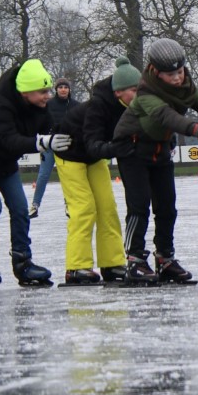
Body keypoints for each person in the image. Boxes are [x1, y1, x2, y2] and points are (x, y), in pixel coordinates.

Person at [113, 38, 198, 284]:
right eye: (170, 74)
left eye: (179, 71)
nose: (177, 78)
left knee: (167, 207)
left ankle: (165, 258)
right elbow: (170, 118)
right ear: (156, 71)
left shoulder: (185, 84)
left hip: (159, 149)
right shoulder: (145, 92)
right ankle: (135, 260)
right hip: (132, 149)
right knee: (139, 206)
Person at [0, 59, 71, 286]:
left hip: (6, 164)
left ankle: (23, 262)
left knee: (21, 209)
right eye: (42, 91)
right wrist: (42, 142)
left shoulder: (40, 109)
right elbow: (11, 141)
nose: (47, 96)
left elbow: (55, 130)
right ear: (25, 92)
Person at [53, 57, 141, 284]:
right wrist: (118, 148)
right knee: (84, 208)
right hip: (70, 155)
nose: (138, 94)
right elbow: (93, 143)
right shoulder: (97, 106)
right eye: (134, 90)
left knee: (107, 208)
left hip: (95, 158)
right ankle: (76, 267)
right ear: (119, 92)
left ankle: (111, 264)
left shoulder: (134, 106)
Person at [30, 77, 79, 218]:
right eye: (60, 87)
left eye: (66, 87)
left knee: (67, 176)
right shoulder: (48, 104)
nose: (63, 90)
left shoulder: (75, 105)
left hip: (66, 145)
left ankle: (68, 204)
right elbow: (39, 121)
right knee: (43, 175)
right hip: (50, 145)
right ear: (56, 89)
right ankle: (35, 205)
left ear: (69, 90)